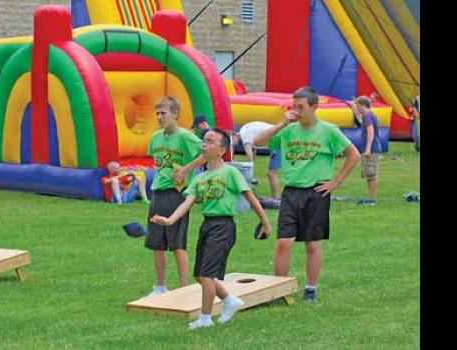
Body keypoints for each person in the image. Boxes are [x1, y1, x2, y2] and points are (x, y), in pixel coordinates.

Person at [151, 128, 272, 330]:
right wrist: (170, 220)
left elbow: (251, 198)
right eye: (204, 141)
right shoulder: (199, 178)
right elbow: (186, 203)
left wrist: (265, 222)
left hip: (223, 226)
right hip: (207, 225)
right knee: (199, 275)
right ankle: (229, 300)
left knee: (207, 275)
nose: (204, 145)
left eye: (210, 141)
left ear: (222, 150)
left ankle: (205, 319)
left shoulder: (230, 172)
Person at [253, 86, 360, 302]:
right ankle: (279, 290)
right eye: (294, 106)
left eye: (301, 107)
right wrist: (282, 123)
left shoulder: (328, 131)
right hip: (291, 192)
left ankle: (311, 288)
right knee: (284, 242)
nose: (297, 111)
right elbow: (257, 142)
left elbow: (353, 154)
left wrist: (336, 181)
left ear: (314, 107)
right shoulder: (288, 130)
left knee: (312, 243)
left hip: (316, 192)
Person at [145, 96, 202, 297]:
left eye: (164, 113)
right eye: (157, 113)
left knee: (177, 245)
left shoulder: (186, 137)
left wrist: (186, 169)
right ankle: (160, 287)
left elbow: (206, 153)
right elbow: (159, 164)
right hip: (158, 193)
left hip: (177, 195)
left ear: (175, 114)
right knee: (156, 243)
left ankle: (184, 289)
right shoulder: (156, 137)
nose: (160, 117)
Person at [353, 96, 382, 206]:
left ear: (362, 105)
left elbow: (370, 130)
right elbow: (362, 122)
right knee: (368, 175)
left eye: (357, 106)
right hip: (370, 148)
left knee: (371, 174)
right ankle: (370, 198)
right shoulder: (368, 114)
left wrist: (368, 148)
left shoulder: (367, 115)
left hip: (371, 149)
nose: (357, 108)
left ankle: (372, 199)